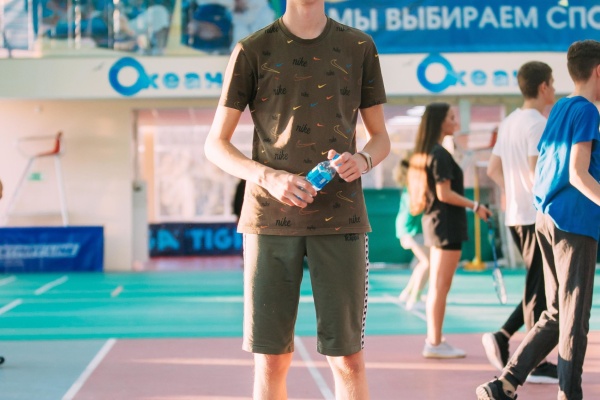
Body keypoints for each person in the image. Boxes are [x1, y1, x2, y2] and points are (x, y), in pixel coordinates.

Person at [203, 1, 390, 397]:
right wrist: (268, 177)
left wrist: (363, 160)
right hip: (269, 220)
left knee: (348, 359)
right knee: (270, 360)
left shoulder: (359, 46)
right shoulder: (251, 49)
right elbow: (215, 144)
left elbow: (380, 138)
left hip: (341, 220)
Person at [476, 39, 600, 400]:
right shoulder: (587, 111)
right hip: (574, 220)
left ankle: (505, 383)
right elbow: (577, 172)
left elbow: (547, 166)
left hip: (546, 217)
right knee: (574, 316)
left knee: (556, 313)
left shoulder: (560, 108)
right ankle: (569, 393)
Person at [483, 61, 558, 384]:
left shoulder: (510, 121)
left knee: (539, 284)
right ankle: (533, 360)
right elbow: (536, 172)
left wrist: (513, 193)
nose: (554, 89)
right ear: (543, 86)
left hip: (517, 215)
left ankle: (506, 337)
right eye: (553, 83)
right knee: (541, 287)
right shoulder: (537, 124)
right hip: (534, 215)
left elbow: (493, 169)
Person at [407, 102, 491, 359]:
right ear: (440, 122)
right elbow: (444, 194)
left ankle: (435, 341)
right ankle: (434, 343)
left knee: (438, 286)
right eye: (452, 117)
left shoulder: (431, 152)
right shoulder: (439, 154)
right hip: (445, 226)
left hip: (438, 225)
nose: (456, 122)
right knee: (440, 287)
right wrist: (475, 206)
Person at [394, 154, 429, 311]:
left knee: (423, 262)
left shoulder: (412, 185)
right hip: (410, 230)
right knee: (428, 263)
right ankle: (414, 299)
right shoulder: (414, 186)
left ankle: (408, 293)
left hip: (409, 229)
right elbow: (416, 208)